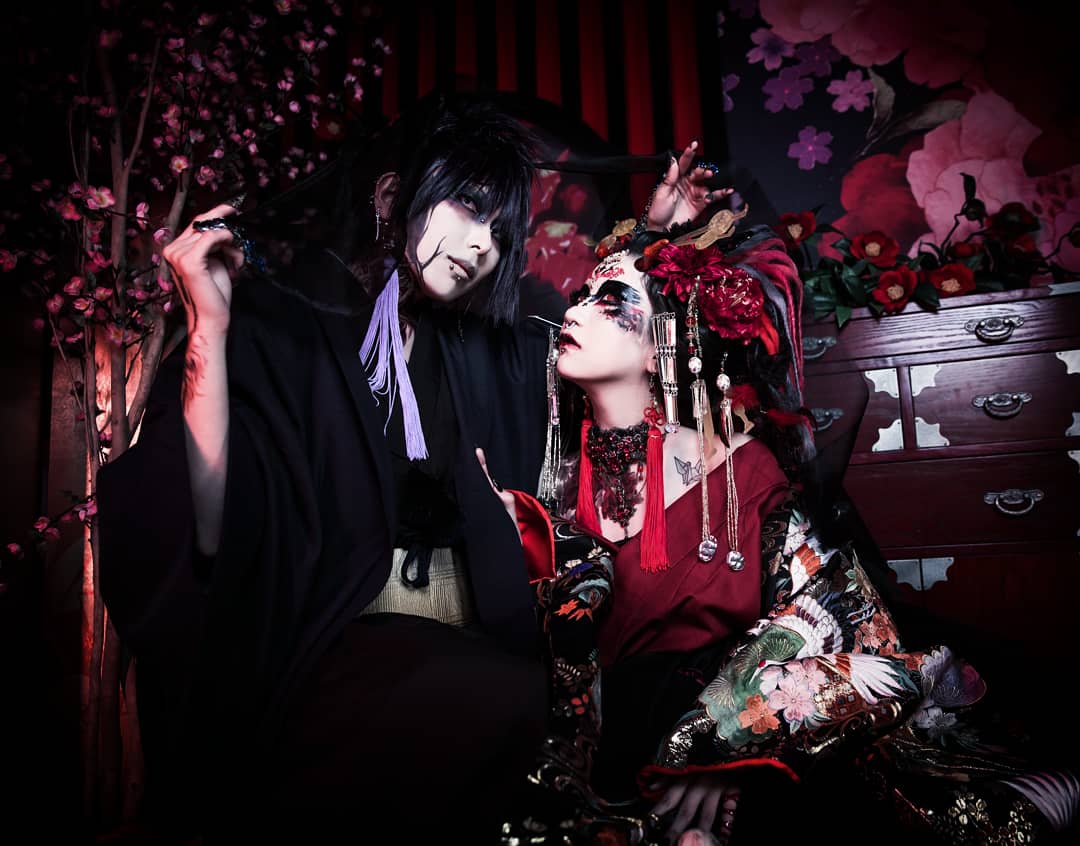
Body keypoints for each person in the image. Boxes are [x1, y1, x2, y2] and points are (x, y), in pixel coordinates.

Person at [95, 90, 724, 843]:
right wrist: (210, 325)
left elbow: (611, 334)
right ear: (393, 196)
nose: (482, 245)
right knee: (487, 699)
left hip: (479, 646)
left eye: (501, 231)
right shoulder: (287, 328)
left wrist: (660, 242)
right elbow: (204, 528)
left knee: (558, 714)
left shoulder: (495, 347)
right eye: (468, 206)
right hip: (325, 650)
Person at [490, 219, 1080, 845]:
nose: (576, 310)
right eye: (580, 296)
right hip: (596, 738)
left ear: (662, 342)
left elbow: (821, 611)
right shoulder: (546, 473)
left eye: (610, 300)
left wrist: (725, 748)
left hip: (727, 720)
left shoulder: (739, 467)